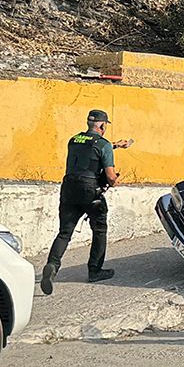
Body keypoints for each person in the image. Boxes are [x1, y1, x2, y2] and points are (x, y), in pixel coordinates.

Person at [40, 110, 132, 294]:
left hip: (69, 189)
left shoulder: (73, 140)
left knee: (65, 232)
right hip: (90, 192)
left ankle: (52, 265)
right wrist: (115, 181)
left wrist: (116, 145)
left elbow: (89, 150)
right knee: (99, 229)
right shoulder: (103, 145)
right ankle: (95, 270)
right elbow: (110, 176)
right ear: (103, 125)